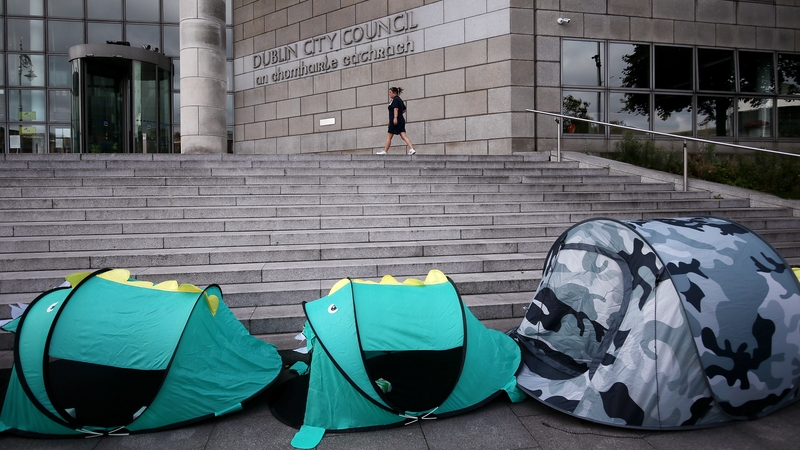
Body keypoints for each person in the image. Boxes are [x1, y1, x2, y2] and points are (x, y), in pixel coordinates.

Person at [377, 87, 416, 155]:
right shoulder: (399, 100)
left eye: (390, 92)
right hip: (401, 120)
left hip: (395, 121)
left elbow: (396, 109)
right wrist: (399, 115)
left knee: (389, 136)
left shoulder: (395, 99)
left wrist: (395, 117)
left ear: (394, 93)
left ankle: (385, 151)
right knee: (403, 135)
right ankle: (411, 149)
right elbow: (404, 109)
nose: (389, 94)